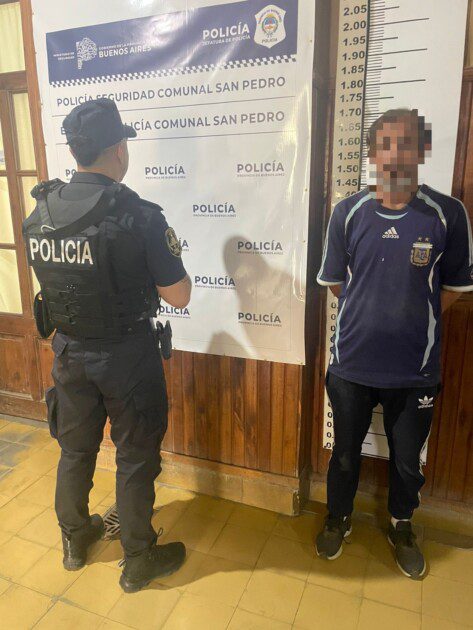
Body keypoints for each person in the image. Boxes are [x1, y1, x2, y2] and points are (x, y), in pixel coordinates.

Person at [22, 97, 192, 593]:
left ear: (76, 151)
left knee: (74, 450)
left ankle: (75, 540)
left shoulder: (41, 210)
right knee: (135, 456)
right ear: (118, 149)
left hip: (69, 353)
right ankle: (138, 558)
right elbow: (179, 296)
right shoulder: (138, 216)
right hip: (127, 357)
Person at [316, 109, 473, 579]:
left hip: (415, 371)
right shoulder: (347, 213)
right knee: (345, 454)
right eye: (385, 144)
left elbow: (452, 289)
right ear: (372, 153)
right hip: (351, 366)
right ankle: (338, 517)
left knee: (407, 461)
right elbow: (337, 283)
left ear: (421, 150)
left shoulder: (448, 214)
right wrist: (373, 310)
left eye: (406, 143)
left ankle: (401, 525)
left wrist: (412, 315)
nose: (395, 154)